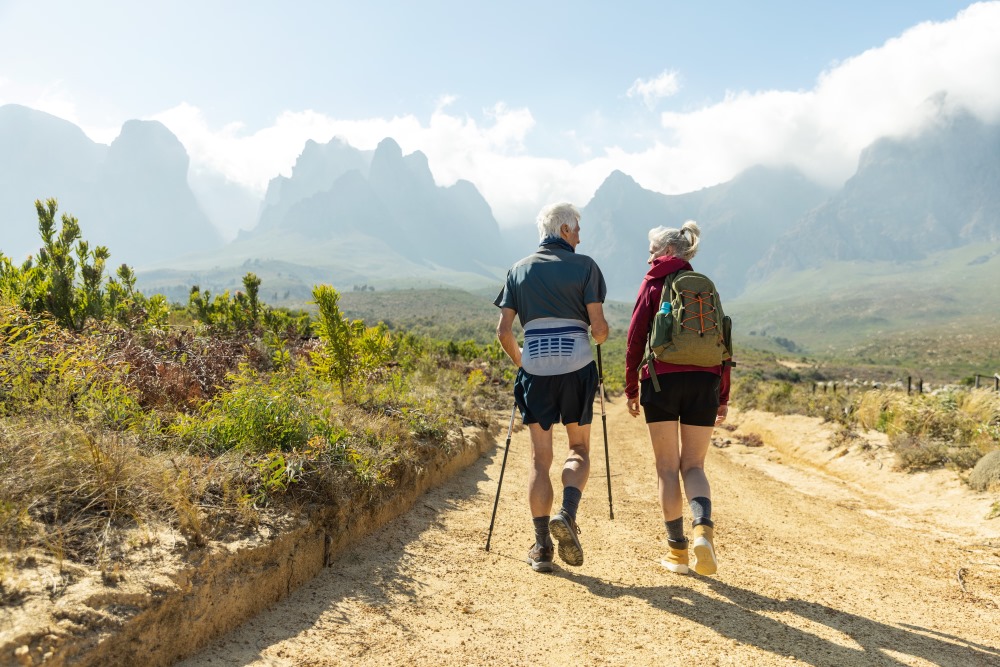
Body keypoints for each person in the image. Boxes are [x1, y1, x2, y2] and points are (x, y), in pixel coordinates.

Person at [494, 202, 609, 573]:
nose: (580, 234)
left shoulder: (518, 269)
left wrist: (525, 364)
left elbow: (504, 332)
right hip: (576, 365)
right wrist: (599, 334)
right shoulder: (586, 266)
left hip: (536, 369)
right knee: (578, 449)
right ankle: (567, 513)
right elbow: (599, 329)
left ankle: (542, 547)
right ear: (563, 230)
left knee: (539, 460)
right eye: (576, 228)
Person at [624, 220, 730, 576]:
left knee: (667, 469)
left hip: (661, 381)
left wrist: (631, 386)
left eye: (652, 251)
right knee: (695, 466)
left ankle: (678, 553)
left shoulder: (654, 282)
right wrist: (722, 396)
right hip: (706, 381)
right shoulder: (703, 288)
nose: (649, 257)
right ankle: (703, 531)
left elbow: (637, 335)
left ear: (668, 252)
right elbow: (723, 342)